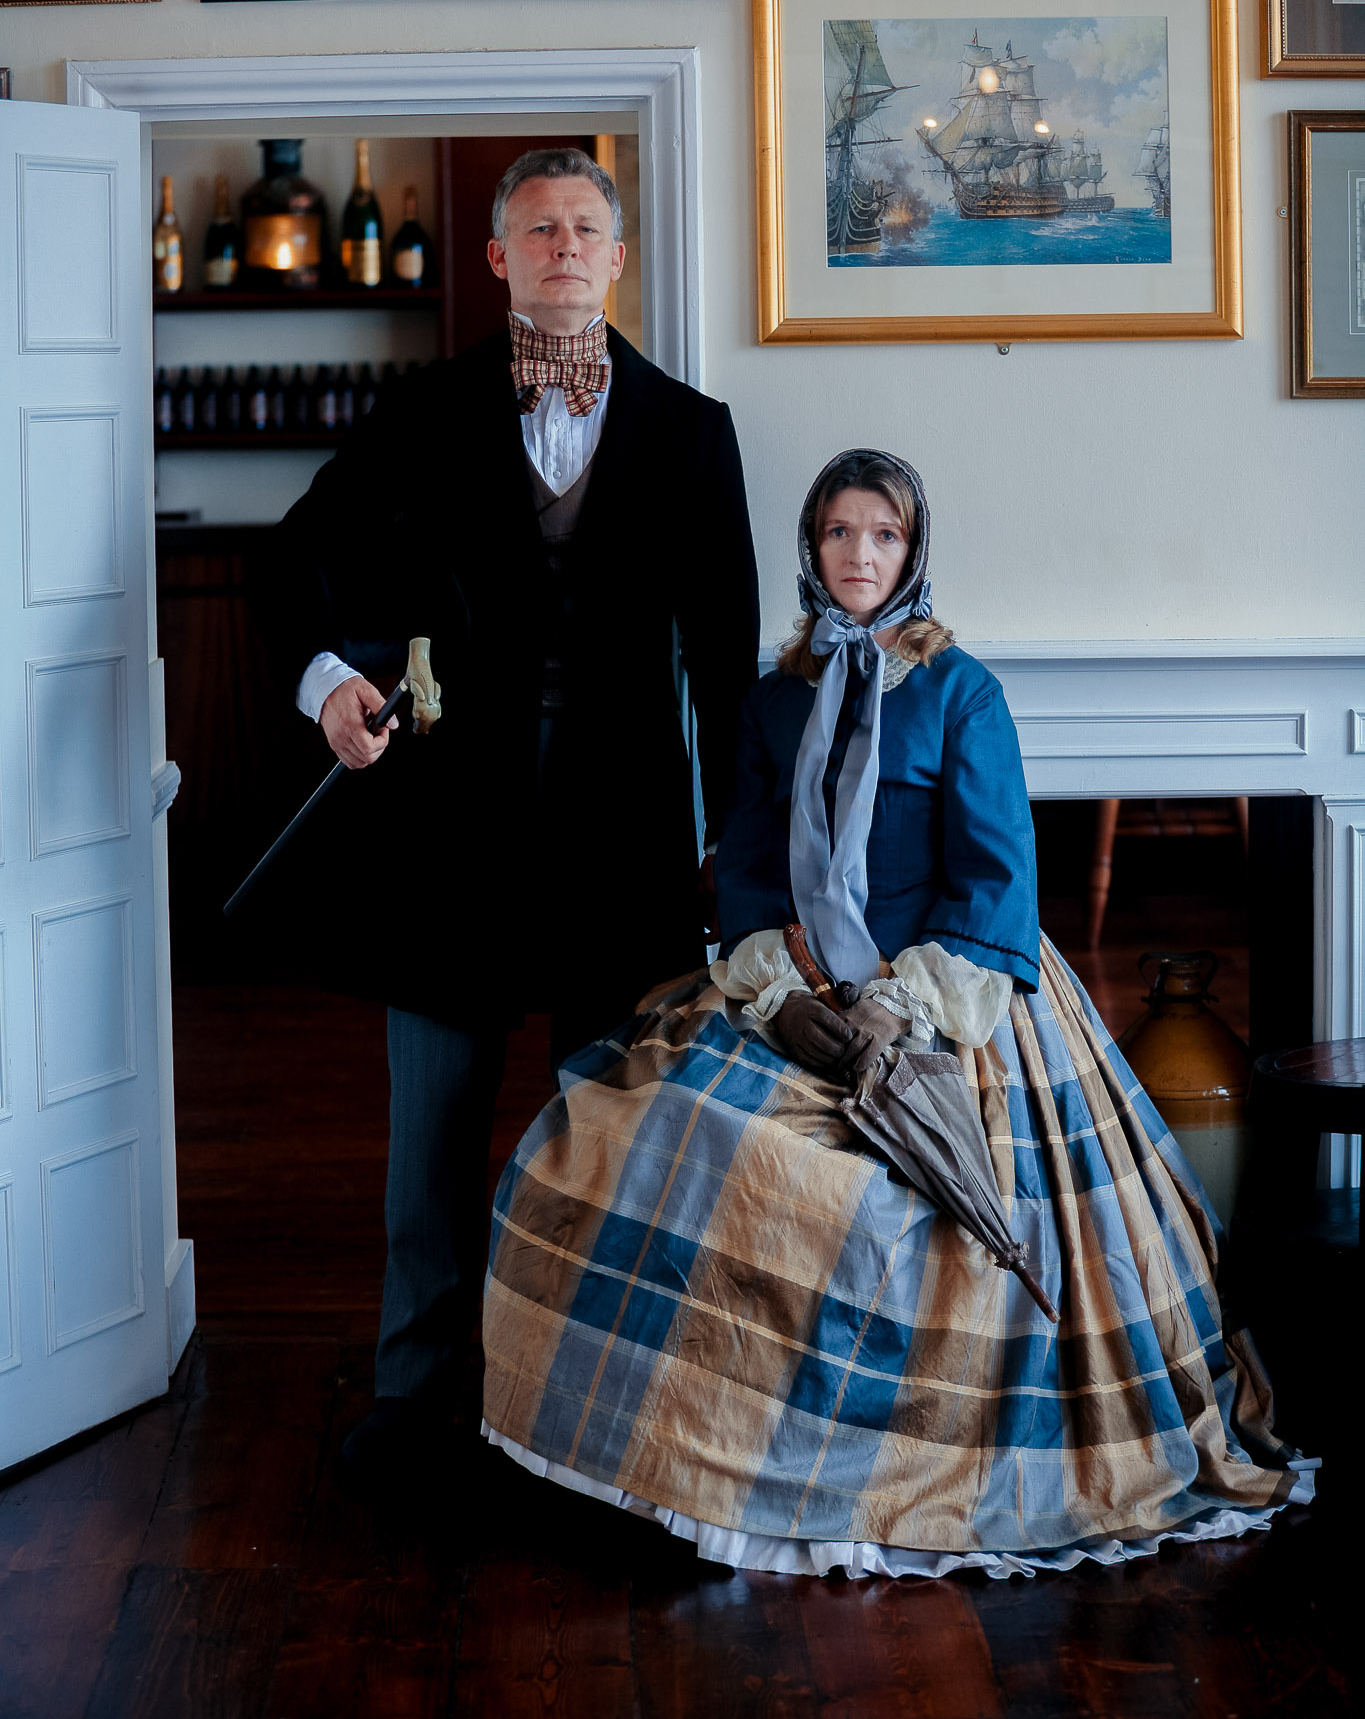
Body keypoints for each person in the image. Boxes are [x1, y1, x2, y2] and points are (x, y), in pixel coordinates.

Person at [481, 448, 1310, 1577]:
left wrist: (900, 1006)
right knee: (634, 1133)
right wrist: (782, 991)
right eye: (838, 532)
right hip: (795, 984)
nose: (860, 554)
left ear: (913, 550)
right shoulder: (774, 699)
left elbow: (996, 878)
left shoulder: (962, 691)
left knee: (865, 1200)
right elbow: (750, 867)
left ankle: (841, 1464)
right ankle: (683, 1451)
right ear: (811, 548)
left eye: (883, 534)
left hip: (947, 989)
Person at [257, 147, 759, 1486]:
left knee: (610, 1134)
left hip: (625, 840)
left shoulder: (693, 430)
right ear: (497, 257)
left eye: (585, 225)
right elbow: (294, 557)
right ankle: (413, 1394)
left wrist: (739, 850)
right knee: (430, 1138)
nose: (562, 244)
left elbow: (726, 661)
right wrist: (327, 683)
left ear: (618, 256)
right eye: (536, 226)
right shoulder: (423, 412)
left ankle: (592, 1409)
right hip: (446, 832)